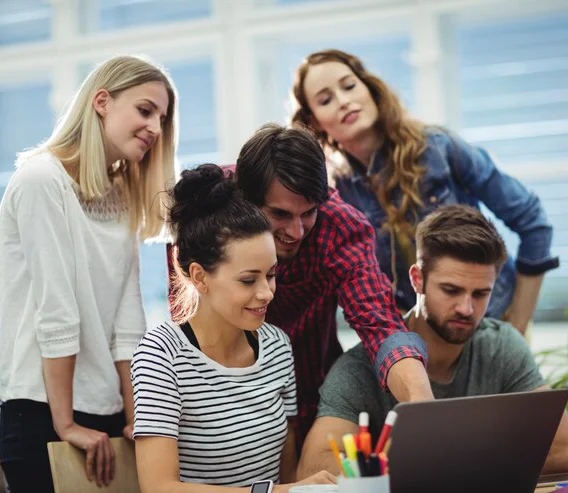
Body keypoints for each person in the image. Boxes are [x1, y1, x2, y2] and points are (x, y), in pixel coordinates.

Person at [0, 55, 177, 493]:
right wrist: (65, 424)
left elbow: (127, 320)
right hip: (39, 405)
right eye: (145, 110)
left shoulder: (121, 194)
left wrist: (134, 413)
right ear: (102, 101)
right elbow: (56, 310)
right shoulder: (41, 179)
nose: (155, 128)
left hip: (105, 408)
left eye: (161, 117)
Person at [290, 49, 559, 334]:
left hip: (492, 324)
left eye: (349, 86)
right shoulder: (335, 196)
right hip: (420, 346)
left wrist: (515, 326)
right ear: (315, 121)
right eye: (325, 99)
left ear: (369, 88)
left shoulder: (439, 148)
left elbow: (534, 223)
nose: (344, 101)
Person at [297, 204, 568, 477]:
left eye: (480, 294)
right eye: (451, 290)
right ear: (417, 279)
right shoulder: (358, 369)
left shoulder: (501, 345)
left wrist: (444, 459)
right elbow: (313, 468)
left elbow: (562, 447)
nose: (466, 308)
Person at [132, 164, 335, 492]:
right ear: (199, 277)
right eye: (247, 280)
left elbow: (286, 474)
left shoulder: (278, 347)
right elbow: (159, 488)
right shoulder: (161, 355)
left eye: (270, 274)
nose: (266, 293)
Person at [234, 123, 433, 447]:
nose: (296, 232)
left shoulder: (340, 227)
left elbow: (380, 324)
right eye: (280, 214)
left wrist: (420, 400)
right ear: (245, 200)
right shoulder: (206, 209)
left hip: (308, 390)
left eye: (308, 213)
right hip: (217, 401)